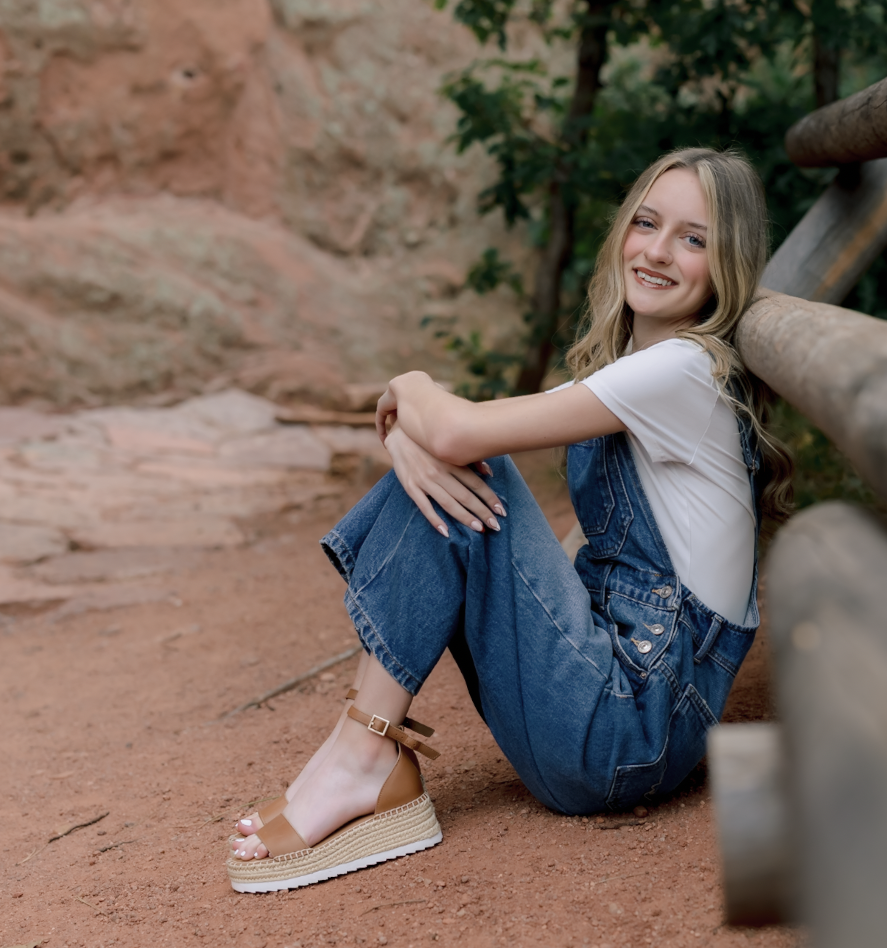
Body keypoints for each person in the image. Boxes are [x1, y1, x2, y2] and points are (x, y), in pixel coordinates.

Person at [225, 147, 793, 893]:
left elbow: (457, 433)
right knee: (455, 472)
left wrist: (410, 387)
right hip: (613, 718)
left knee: (468, 467)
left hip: (631, 730)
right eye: (647, 223)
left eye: (693, 238)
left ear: (728, 263)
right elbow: (452, 449)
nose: (656, 251)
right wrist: (410, 443)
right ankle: (357, 752)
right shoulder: (628, 369)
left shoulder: (685, 371)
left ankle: (363, 757)